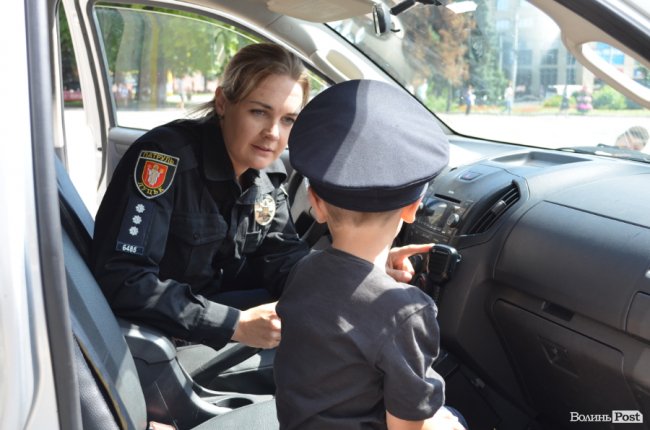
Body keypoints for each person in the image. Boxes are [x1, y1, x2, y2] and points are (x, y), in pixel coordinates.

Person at [91, 43, 434, 390]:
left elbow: (284, 259)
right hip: (158, 339)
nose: (273, 132)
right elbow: (123, 278)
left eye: (287, 120)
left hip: (211, 313)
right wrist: (234, 324)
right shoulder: (165, 159)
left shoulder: (266, 173)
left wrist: (363, 266)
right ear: (223, 102)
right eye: (259, 112)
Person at [275, 80, 465, 430]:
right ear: (412, 209)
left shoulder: (305, 270)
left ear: (315, 203)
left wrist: (378, 279)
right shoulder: (406, 312)